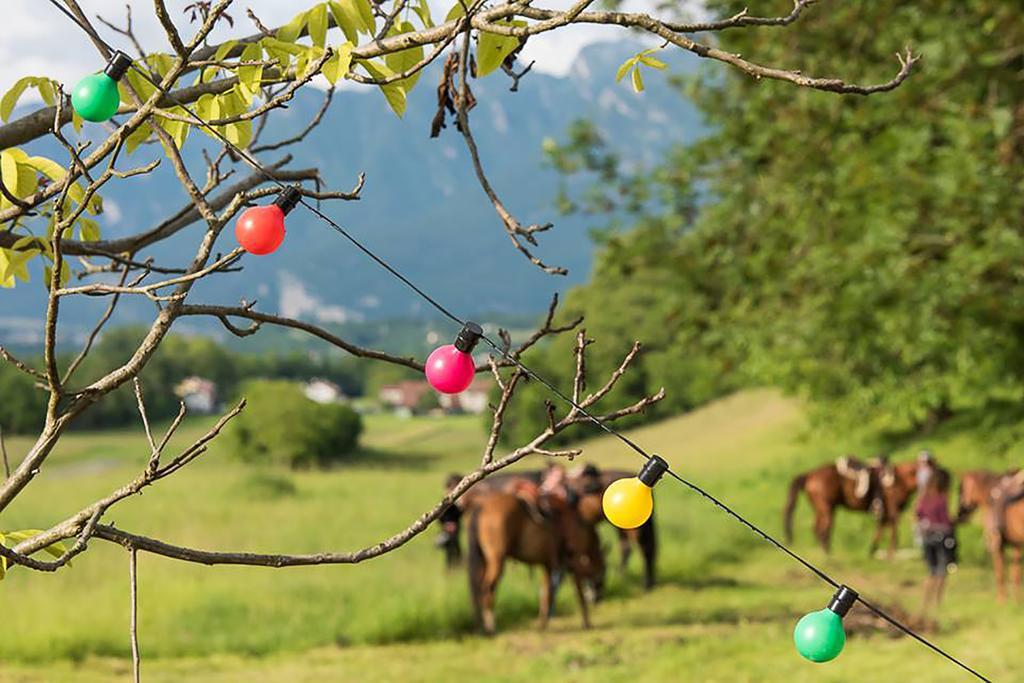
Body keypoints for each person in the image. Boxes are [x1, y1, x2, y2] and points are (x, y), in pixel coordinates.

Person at [915, 468, 955, 623]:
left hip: (927, 538)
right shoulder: (941, 499)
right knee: (941, 572)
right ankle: (937, 603)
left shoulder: (923, 498)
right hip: (941, 537)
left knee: (930, 572)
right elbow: (946, 522)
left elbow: (918, 515)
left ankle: (924, 603)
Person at [436, 473, 463, 569]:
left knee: (456, 548)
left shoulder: (455, 503)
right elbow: (441, 517)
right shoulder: (446, 503)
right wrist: (447, 524)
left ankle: (456, 566)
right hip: (449, 529)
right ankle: (451, 567)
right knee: (451, 549)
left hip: (455, 529)